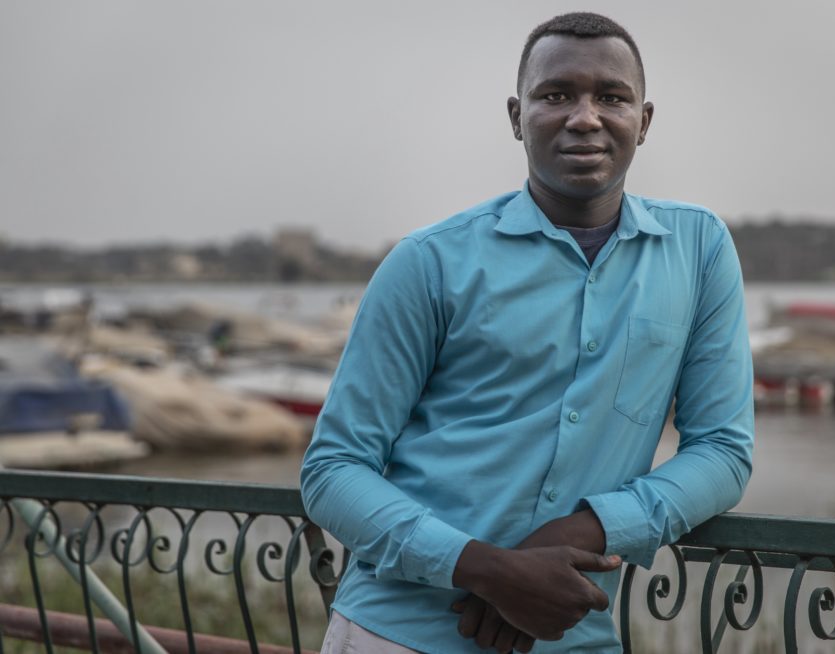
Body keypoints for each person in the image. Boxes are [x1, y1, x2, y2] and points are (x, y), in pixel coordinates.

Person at [301, 11, 754, 653]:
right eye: (556, 95)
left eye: (611, 97)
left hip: (573, 637)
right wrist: (485, 569)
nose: (585, 117)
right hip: (399, 633)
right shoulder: (430, 262)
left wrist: (582, 533)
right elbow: (333, 468)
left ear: (643, 121)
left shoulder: (699, 250)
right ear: (517, 116)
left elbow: (723, 452)